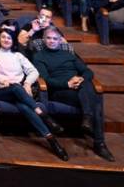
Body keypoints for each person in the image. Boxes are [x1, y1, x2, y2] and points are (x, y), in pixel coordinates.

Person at [0, 29, 69, 160]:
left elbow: (33, 71)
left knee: (24, 106)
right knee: (16, 87)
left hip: (19, 93)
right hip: (2, 91)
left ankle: (52, 141)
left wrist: (28, 83)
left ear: (13, 41)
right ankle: (43, 114)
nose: (6, 40)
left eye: (9, 38)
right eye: (3, 37)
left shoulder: (18, 55)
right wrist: (2, 80)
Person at [32, 27, 113, 161]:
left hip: (78, 87)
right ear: (44, 39)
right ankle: (99, 142)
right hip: (59, 91)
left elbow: (87, 72)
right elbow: (45, 79)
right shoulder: (39, 56)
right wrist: (67, 84)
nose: (52, 41)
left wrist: (81, 79)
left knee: (87, 85)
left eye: (55, 39)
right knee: (95, 101)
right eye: (49, 38)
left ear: (60, 41)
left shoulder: (69, 54)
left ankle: (90, 124)